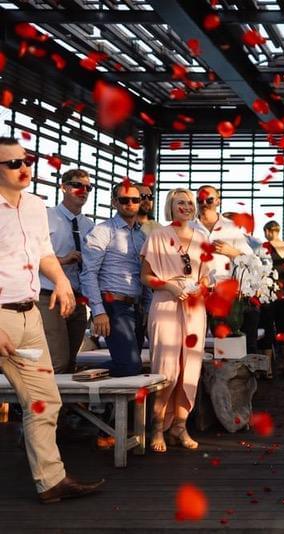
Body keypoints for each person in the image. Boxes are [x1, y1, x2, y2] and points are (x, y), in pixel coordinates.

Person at [0, 136, 104, 502]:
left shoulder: (34, 205)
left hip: (30, 315)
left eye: (25, 159)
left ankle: (51, 481)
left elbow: (43, 251)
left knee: (46, 400)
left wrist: (61, 281)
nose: (23, 167)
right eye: (12, 163)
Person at [141, 189, 209, 452]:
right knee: (167, 368)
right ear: (171, 206)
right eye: (180, 202)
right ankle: (157, 426)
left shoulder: (202, 237)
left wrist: (201, 287)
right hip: (166, 302)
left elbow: (206, 275)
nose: (187, 206)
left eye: (190, 203)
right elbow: (145, 276)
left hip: (194, 305)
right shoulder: (158, 235)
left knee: (190, 366)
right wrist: (169, 286)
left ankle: (180, 426)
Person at [80, 181, 146, 377]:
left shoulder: (142, 235)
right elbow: (88, 273)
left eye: (135, 199)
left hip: (137, 307)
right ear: (114, 202)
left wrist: (148, 308)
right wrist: (99, 311)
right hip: (113, 306)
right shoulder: (102, 231)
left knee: (132, 366)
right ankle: (83, 372)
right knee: (129, 365)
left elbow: (144, 274)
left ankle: (111, 407)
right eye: (124, 200)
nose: (130, 204)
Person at [38, 169, 95, 374]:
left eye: (88, 187)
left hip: (78, 299)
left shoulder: (89, 226)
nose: (84, 190)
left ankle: (65, 407)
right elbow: (29, 255)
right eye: (78, 185)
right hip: (49, 297)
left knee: (71, 363)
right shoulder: (46, 217)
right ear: (63, 187)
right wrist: (63, 260)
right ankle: (42, 405)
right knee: (58, 361)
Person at [196, 186, 253, 349]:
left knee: (226, 347)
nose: (204, 203)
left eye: (209, 199)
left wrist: (232, 252)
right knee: (194, 343)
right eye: (200, 200)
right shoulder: (189, 227)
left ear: (218, 201)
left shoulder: (231, 228)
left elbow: (251, 260)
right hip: (196, 293)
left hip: (223, 295)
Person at [259, 221, 284, 376]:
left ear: (268, 231)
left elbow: (260, 270)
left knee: (268, 326)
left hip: (270, 290)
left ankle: (268, 370)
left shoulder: (265, 247)